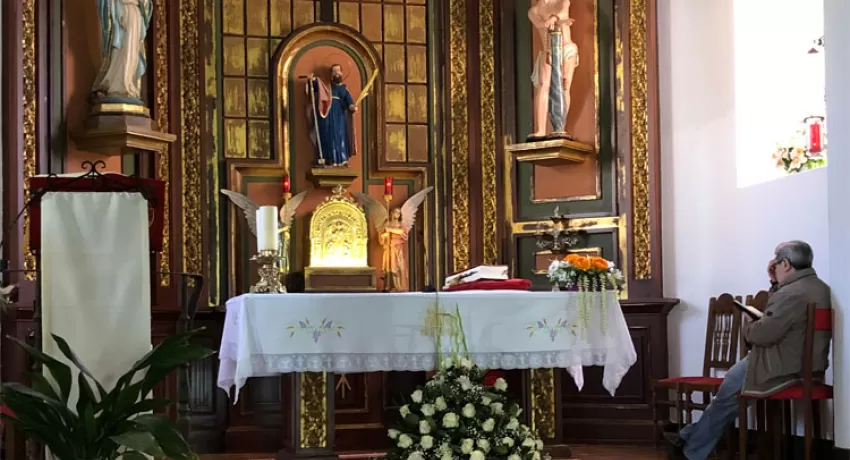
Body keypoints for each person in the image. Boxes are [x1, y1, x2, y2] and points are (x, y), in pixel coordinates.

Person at [665, 240, 832, 460]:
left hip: (781, 368)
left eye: (777, 262)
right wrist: (775, 283)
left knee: (726, 394)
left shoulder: (790, 293)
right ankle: (688, 438)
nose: (774, 266)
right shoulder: (820, 288)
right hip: (809, 366)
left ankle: (691, 450)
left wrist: (749, 324)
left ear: (786, 264)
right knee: (727, 395)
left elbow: (761, 336)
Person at [306, 64, 358, 167]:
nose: (336, 73)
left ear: (341, 73)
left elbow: (349, 101)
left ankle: (341, 159)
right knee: (326, 134)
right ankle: (326, 158)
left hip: (339, 115)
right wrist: (312, 80)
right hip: (327, 113)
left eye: (338, 71)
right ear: (331, 74)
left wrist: (352, 106)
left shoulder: (344, 89)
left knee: (340, 135)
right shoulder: (327, 86)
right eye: (334, 72)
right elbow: (317, 86)